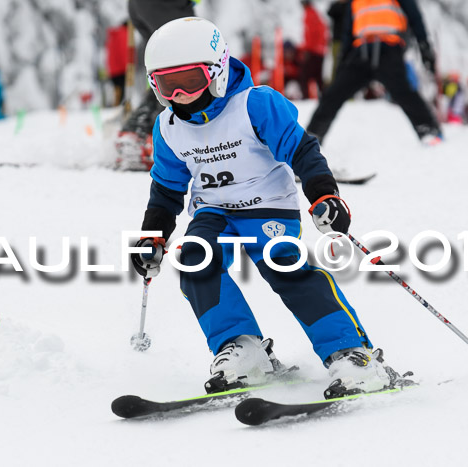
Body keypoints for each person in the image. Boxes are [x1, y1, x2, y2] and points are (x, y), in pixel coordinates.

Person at [130, 17, 407, 397]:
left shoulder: (255, 105)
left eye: (189, 81)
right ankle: (242, 348)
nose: (179, 94)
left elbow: (301, 149)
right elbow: (166, 187)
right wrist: (153, 234)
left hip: (267, 207)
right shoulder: (167, 127)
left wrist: (324, 194)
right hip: (213, 212)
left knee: (286, 269)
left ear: (218, 72)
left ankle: (351, 352)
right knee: (195, 261)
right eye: (166, 85)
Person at [307, 0, 442, 145]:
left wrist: (424, 47)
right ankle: (312, 137)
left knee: (404, 93)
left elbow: (414, 17)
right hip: (361, 51)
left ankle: (428, 131)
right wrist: (343, 61)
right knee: (333, 94)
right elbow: (348, 30)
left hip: (389, 49)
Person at [114, 0, 196, 171]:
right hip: (164, 5)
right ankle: (146, 135)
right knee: (184, 70)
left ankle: (138, 134)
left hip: (146, 6)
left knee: (174, 69)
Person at [299, 1, 329, 98]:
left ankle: (305, 97)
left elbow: (311, 34)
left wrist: (307, 49)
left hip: (313, 51)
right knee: (318, 77)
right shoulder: (315, 13)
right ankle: (324, 96)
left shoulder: (309, 14)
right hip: (320, 51)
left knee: (304, 76)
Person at [107, 22, 129, 106]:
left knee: (118, 91)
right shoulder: (124, 34)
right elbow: (125, 51)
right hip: (121, 69)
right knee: (123, 91)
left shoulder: (115, 35)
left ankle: (117, 106)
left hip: (113, 69)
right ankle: (120, 107)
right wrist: (128, 66)